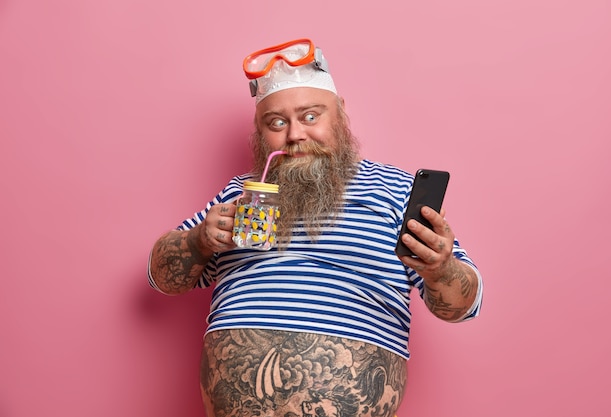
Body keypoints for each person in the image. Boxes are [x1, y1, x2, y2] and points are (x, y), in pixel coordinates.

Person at [148, 38, 483, 417]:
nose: (294, 135)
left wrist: (440, 268)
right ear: (260, 133)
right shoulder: (240, 196)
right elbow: (161, 277)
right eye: (276, 123)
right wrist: (198, 241)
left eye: (310, 116)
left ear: (340, 115)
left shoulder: (396, 192)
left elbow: (461, 307)